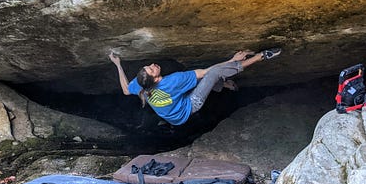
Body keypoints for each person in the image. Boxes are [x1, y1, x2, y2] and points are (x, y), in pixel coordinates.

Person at [109, 48, 282, 126]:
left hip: (172, 115)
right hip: (189, 107)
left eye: (149, 66)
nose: (153, 64)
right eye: (152, 69)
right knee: (212, 75)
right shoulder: (174, 80)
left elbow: (125, 89)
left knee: (203, 80)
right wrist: (233, 60)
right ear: (154, 79)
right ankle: (260, 57)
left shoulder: (141, 87)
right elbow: (208, 71)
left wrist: (117, 64)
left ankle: (224, 86)